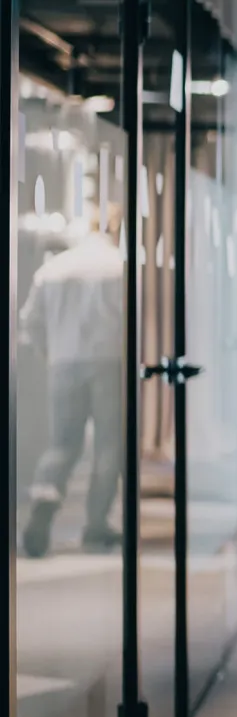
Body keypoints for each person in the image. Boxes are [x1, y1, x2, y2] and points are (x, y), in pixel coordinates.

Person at [21, 205, 126, 559]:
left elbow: (30, 322)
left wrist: (51, 353)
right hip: (108, 361)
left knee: (63, 442)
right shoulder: (117, 265)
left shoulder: (53, 269)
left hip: (63, 362)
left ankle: (45, 498)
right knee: (109, 444)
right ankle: (97, 524)